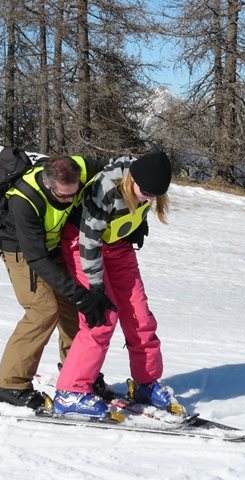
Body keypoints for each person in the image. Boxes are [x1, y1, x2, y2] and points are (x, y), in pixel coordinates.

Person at [53, 150, 185, 417]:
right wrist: (96, 287)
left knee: (140, 315)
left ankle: (146, 383)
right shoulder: (106, 188)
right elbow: (88, 241)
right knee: (101, 318)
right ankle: (70, 392)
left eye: (154, 195)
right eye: (144, 191)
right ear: (132, 179)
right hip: (85, 247)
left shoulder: (147, 190)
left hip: (118, 247)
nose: (148, 198)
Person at [0, 155, 116, 409]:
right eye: (63, 196)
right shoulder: (23, 200)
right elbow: (36, 258)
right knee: (43, 310)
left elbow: (116, 168)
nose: (70, 200)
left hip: (53, 247)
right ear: (49, 186)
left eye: (74, 194)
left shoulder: (81, 167)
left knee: (74, 309)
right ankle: (10, 384)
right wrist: (79, 292)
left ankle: (77, 374)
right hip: (22, 252)